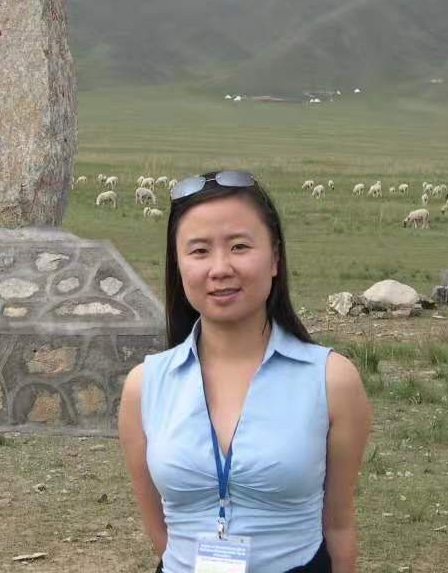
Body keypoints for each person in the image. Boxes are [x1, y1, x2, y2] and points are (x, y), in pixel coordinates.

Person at [118, 170, 372, 573]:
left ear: (274, 259)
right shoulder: (144, 386)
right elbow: (161, 532)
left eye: (239, 246)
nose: (220, 268)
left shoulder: (332, 380)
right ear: (179, 266)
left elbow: (338, 526)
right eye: (199, 251)